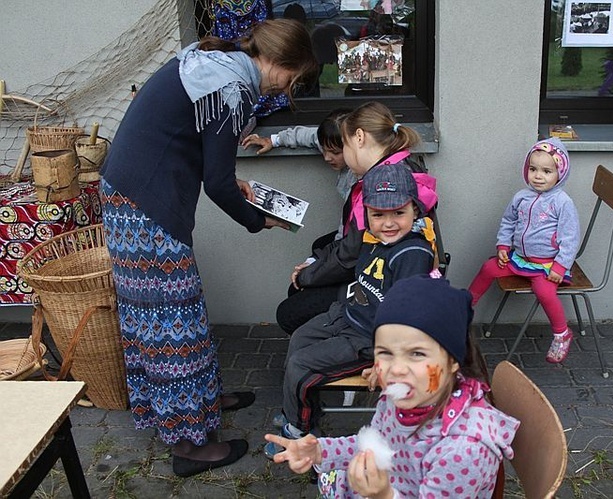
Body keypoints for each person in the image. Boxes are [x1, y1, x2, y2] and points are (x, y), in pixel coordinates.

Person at [99, 19, 318, 478]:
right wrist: (260, 220)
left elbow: (195, 149)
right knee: (169, 323)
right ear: (278, 63)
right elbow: (218, 184)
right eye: (292, 79)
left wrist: (227, 179)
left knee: (180, 311)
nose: (285, 89)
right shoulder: (231, 89)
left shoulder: (215, 65)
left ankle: (202, 401)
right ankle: (188, 445)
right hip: (144, 206)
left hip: (134, 197)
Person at [265, 274, 519, 498]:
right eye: (385, 352)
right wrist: (320, 451)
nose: (396, 369)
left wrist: (383, 495)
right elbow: (374, 443)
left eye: (417, 354)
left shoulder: (462, 450)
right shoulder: (402, 397)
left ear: (454, 361)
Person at [264, 162, 438, 458]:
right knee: (298, 340)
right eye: (378, 214)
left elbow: (409, 318)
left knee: (301, 365)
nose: (389, 223)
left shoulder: (412, 253)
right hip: (347, 314)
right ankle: (305, 411)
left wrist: (387, 360)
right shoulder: (372, 238)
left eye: (399, 213)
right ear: (367, 213)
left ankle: (298, 430)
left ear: (415, 210)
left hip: (368, 339)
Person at [277, 101, 439, 334]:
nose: (341, 154)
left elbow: (350, 256)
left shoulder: (379, 188)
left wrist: (307, 275)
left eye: (343, 145)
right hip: (376, 270)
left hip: (375, 286)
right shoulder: (399, 166)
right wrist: (314, 265)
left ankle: (340, 349)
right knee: (306, 276)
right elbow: (350, 243)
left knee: (288, 313)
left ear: (359, 138)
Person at [242, 109, 361, 334]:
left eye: (334, 152)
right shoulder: (338, 146)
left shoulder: (366, 183)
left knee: (288, 312)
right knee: (317, 247)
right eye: (325, 150)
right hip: (347, 248)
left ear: (355, 146)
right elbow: (309, 136)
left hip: (356, 267)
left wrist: (312, 270)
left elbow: (347, 244)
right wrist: (273, 140)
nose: (327, 157)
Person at [467, 138, 580, 364]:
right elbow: (508, 221)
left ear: (560, 173)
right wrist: (503, 245)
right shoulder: (521, 197)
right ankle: (463, 308)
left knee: (544, 292)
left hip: (547, 264)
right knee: (489, 267)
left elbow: (571, 238)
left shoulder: (562, 202)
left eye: (547, 171)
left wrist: (560, 266)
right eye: (533, 169)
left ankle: (561, 333)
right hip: (520, 258)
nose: (538, 176)